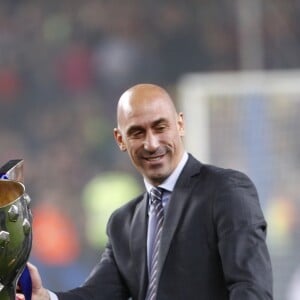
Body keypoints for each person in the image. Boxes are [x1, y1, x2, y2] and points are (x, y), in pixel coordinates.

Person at [17, 83, 273, 300]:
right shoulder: (123, 223)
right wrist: (46, 298)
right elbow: (97, 294)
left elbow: (251, 289)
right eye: (137, 133)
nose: (151, 144)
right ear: (120, 140)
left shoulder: (225, 191)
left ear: (180, 125)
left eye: (160, 128)